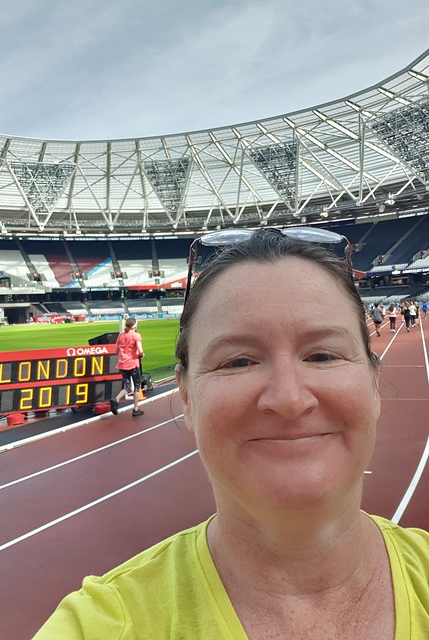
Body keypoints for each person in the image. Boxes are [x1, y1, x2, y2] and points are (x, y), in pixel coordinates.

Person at [34, 230, 428, 638]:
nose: (289, 399)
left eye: (323, 355)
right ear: (186, 397)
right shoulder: (103, 626)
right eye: (238, 362)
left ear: (374, 384)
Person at [110, 317, 145, 417]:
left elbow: (116, 351)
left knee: (128, 387)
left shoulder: (121, 335)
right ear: (134, 326)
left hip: (122, 364)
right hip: (133, 364)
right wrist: (141, 354)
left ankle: (116, 398)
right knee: (137, 386)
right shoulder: (136, 335)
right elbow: (140, 350)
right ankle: (136, 409)